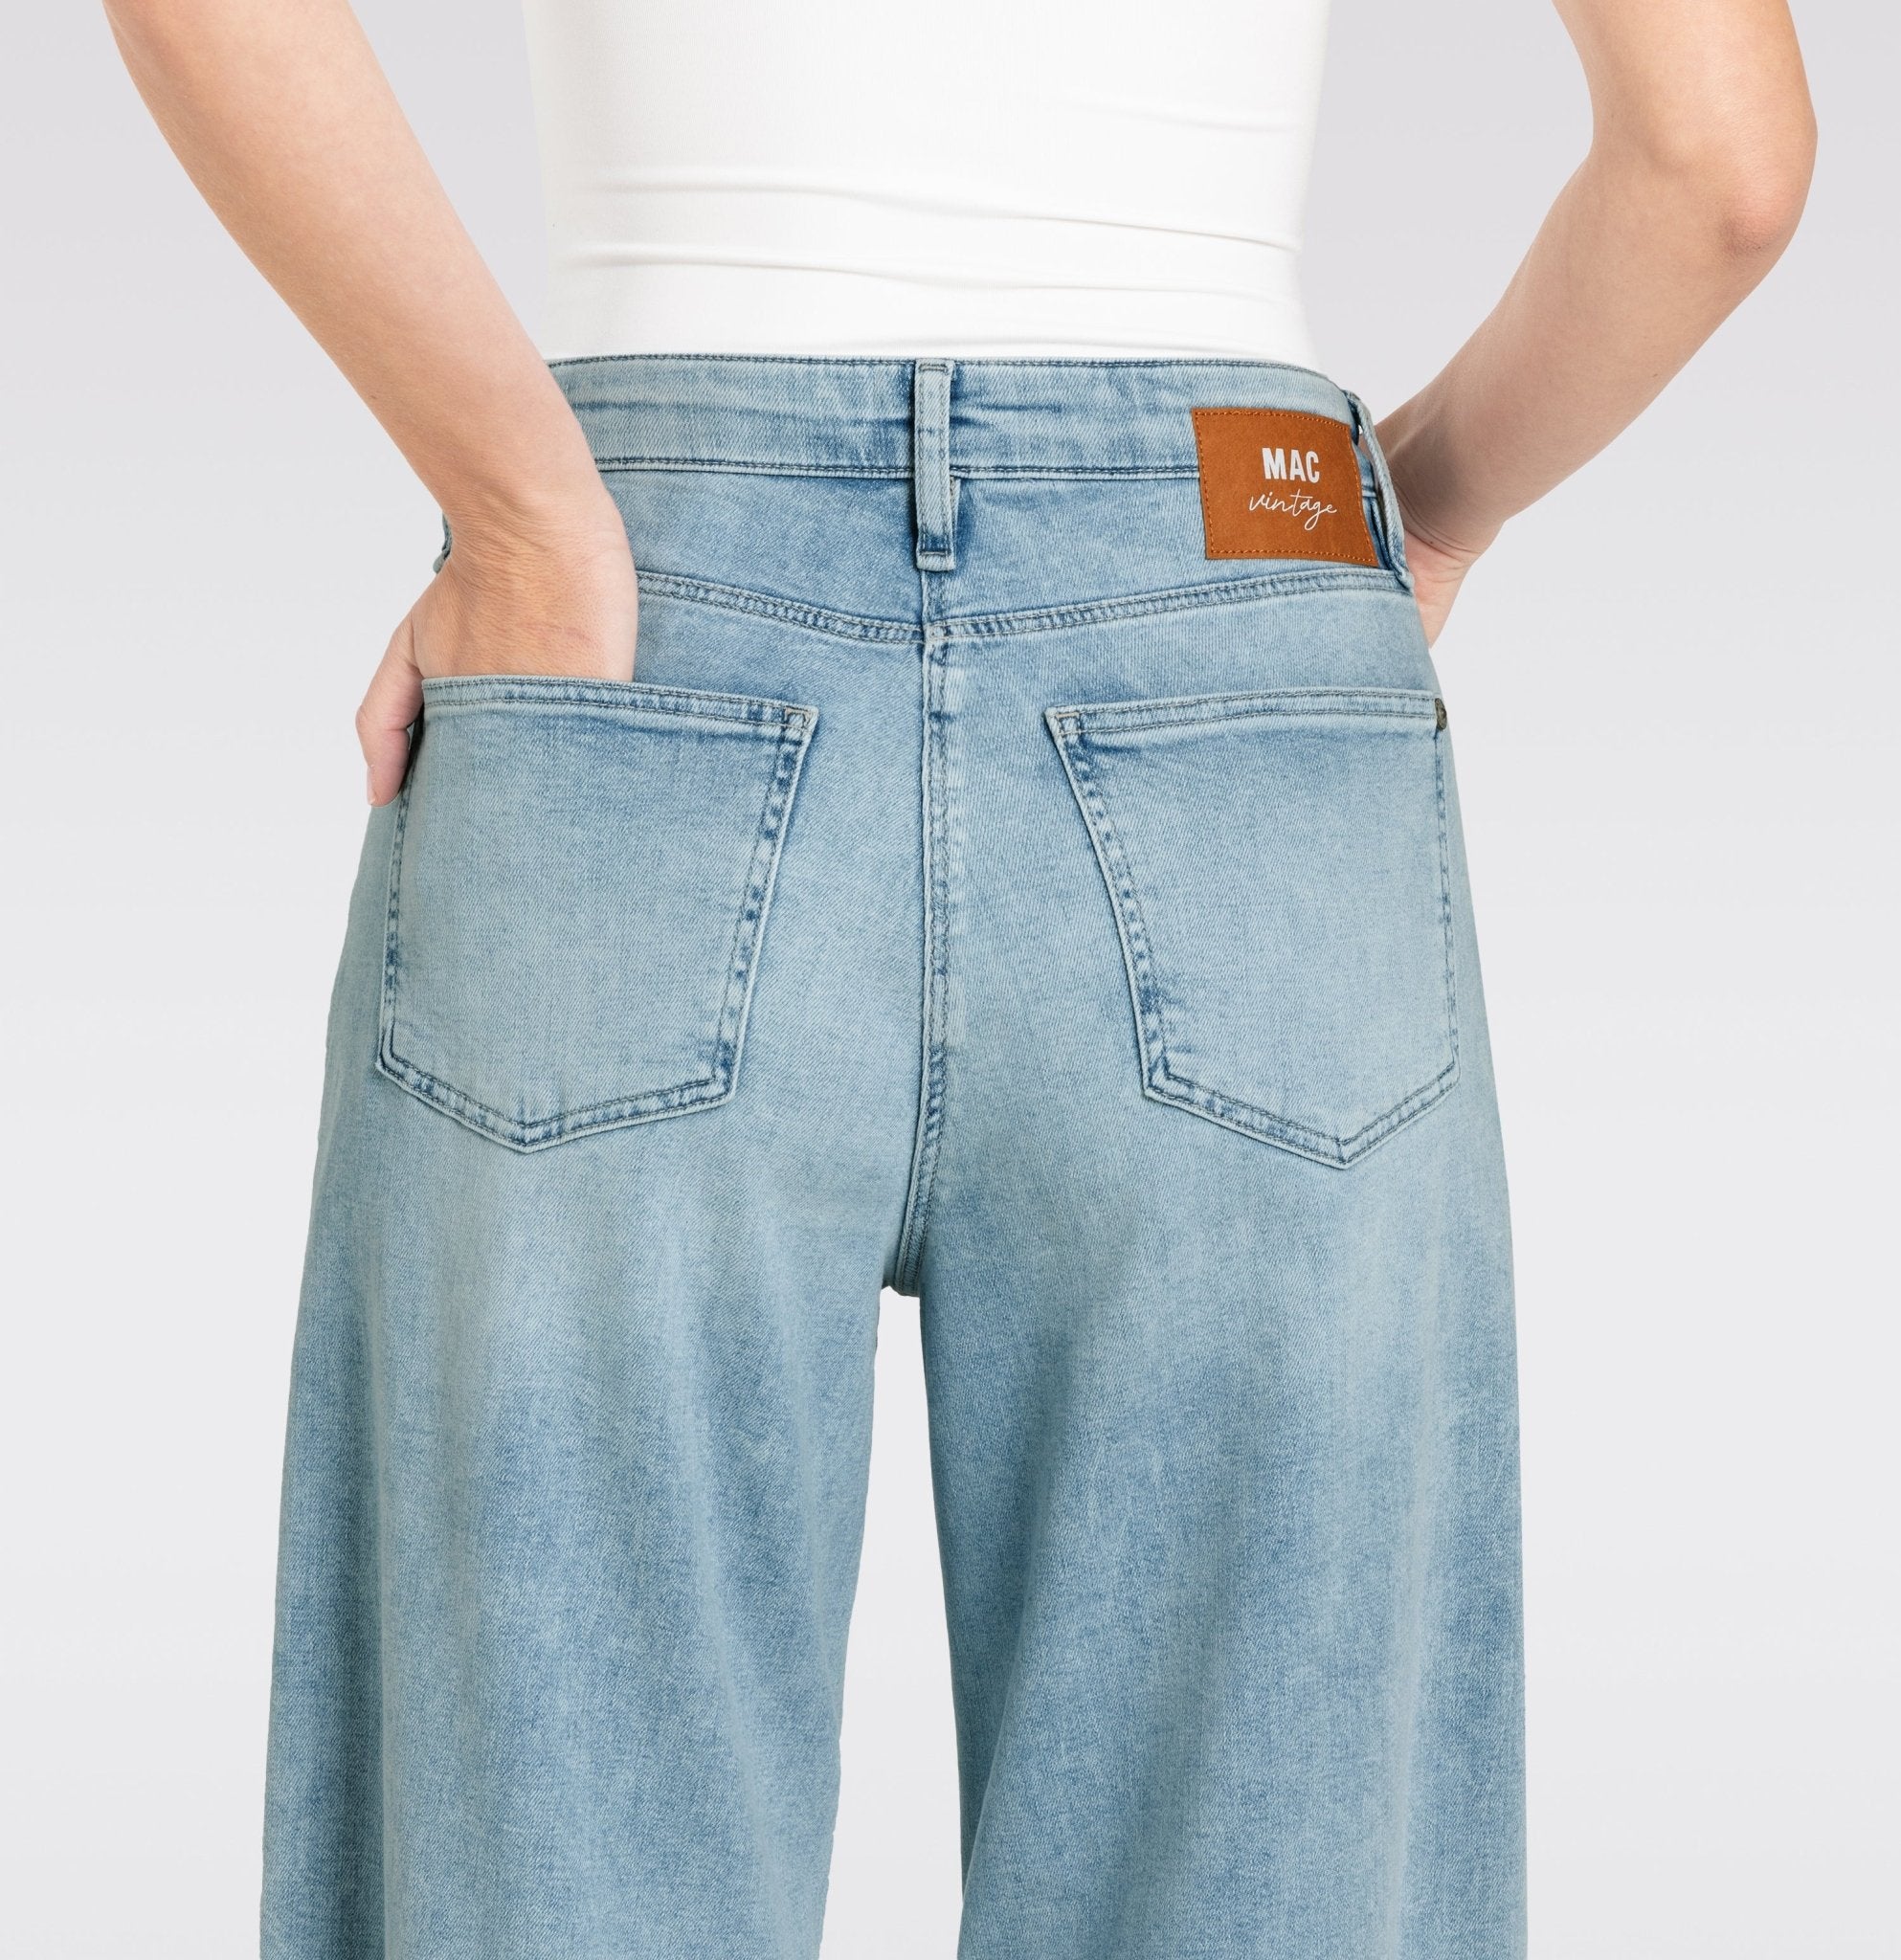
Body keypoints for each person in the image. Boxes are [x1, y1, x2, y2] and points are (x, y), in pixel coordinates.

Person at [103, 0, 1814, 1953]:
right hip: (1232, 611)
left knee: (534, 1855)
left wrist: (517, 511)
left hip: (638, 626)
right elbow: (1720, 166)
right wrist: (1416, 506)